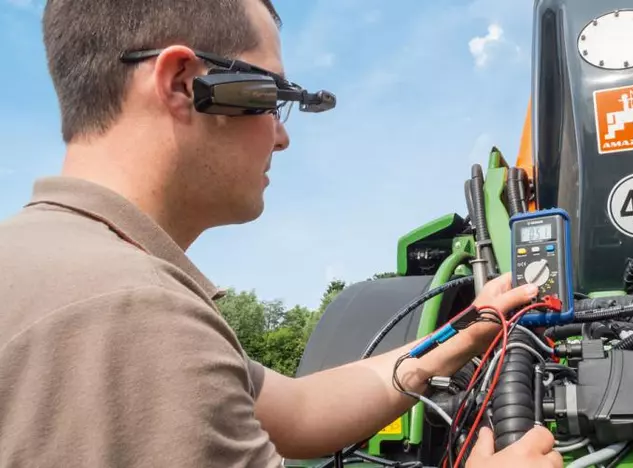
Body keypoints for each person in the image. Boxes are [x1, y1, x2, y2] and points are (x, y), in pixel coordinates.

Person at [0, 0, 563, 467]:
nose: (281, 137)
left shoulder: (57, 267)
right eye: (273, 98)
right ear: (182, 83)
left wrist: (457, 339)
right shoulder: (129, 313)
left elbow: (299, 410)